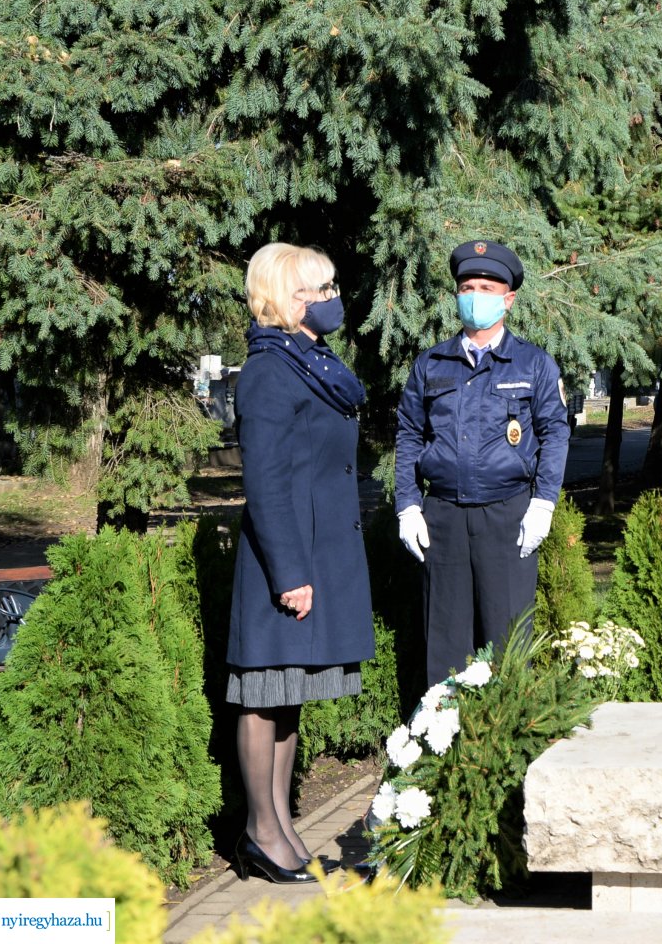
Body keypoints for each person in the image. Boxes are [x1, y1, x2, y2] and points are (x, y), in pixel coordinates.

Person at [230, 243, 375, 883]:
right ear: (288, 299)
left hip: (314, 554)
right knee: (264, 696)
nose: (331, 298)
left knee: (288, 695)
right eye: (319, 289)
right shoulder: (268, 371)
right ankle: (261, 833)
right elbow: (264, 484)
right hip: (283, 564)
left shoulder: (310, 362)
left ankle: (281, 827)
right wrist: (290, 574)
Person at [393, 240, 570, 686]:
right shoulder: (431, 364)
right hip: (444, 519)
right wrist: (408, 506)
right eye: (467, 286)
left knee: (507, 642)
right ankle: (447, 750)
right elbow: (410, 435)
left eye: (488, 288)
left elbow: (555, 433)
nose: (476, 296)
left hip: (507, 516)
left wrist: (544, 503)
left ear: (508, 299)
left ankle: (508, 750)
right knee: (446, 646)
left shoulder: (534, 364)